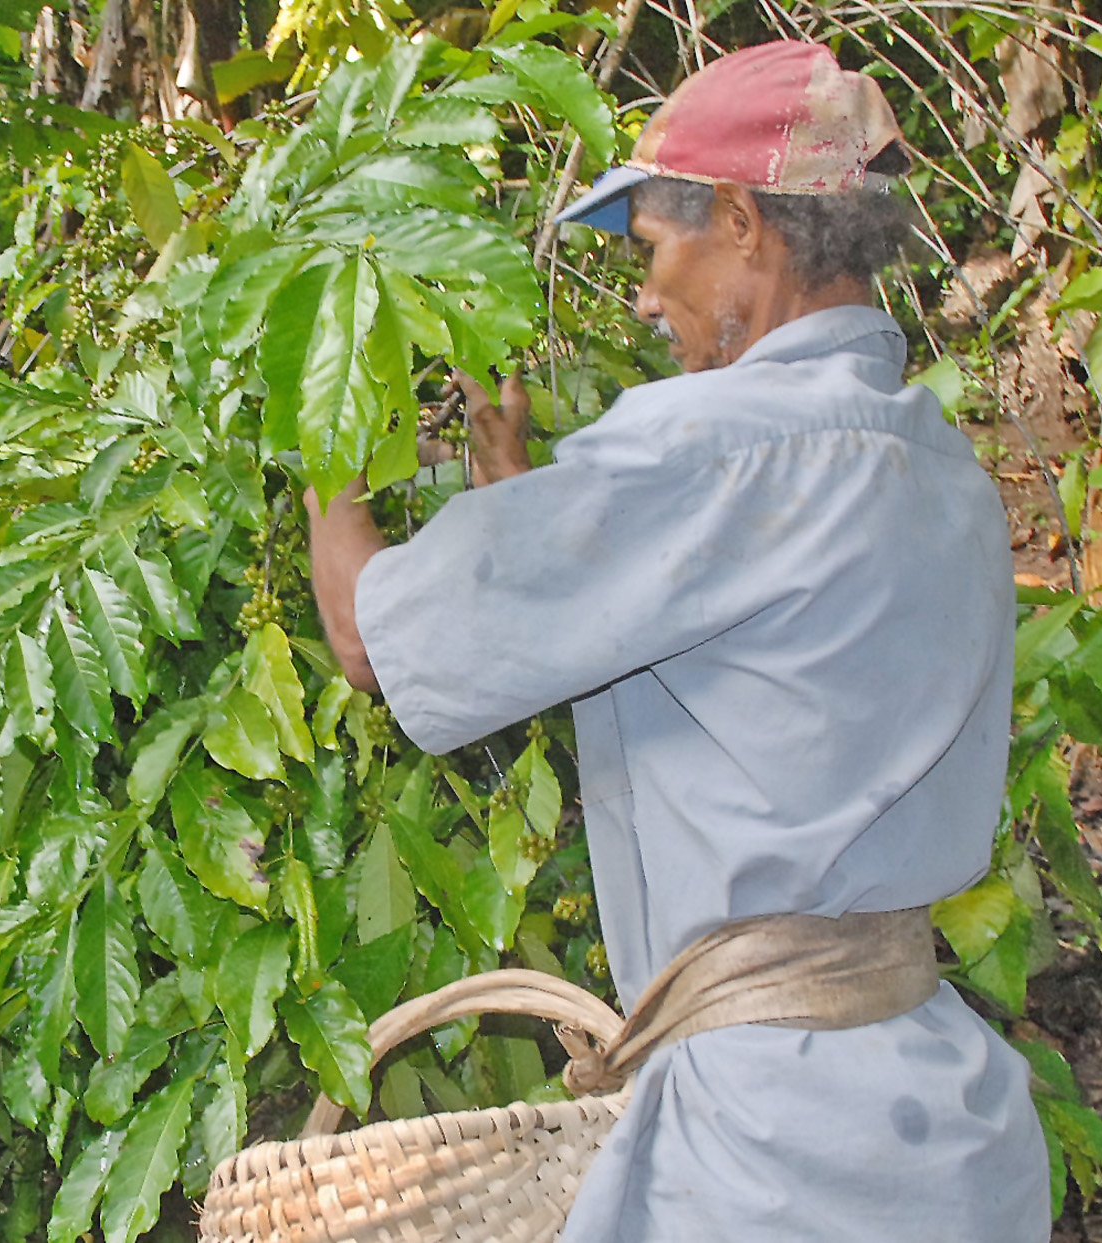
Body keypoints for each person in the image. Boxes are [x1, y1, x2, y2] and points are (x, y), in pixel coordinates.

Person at [306, 41, 1050, 1242]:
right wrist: (523, 497)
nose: (645, 297)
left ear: (745, 226)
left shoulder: (710, 446)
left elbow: (366, 637)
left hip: (769, 1153)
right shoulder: (935, 461)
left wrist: (316, 429)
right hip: (938, 1120)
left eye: (655, 250)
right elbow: (736, 661)